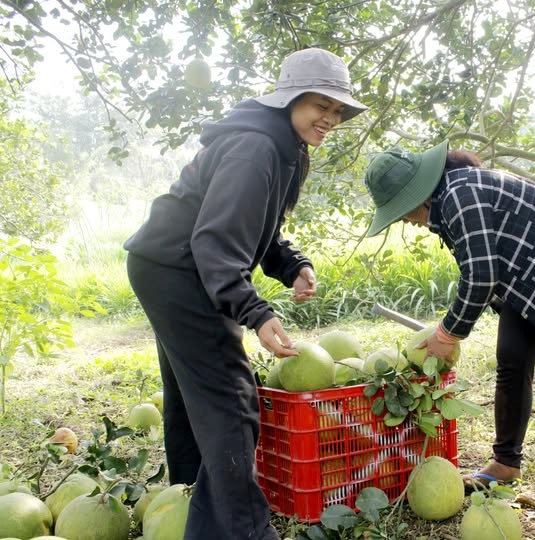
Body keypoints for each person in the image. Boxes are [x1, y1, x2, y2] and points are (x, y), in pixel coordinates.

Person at [124, 48, 367, 540]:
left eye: (338, 110)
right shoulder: (256, 148)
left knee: (194, 389)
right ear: (291, 98)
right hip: (182, 270)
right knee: (230, 397)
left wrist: (292, 263)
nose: (330, 118)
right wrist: (254, 311)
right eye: (322, 104)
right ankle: (240, 530)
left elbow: (257, 230)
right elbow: (214, 243)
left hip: (165, 263)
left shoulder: (281, 146)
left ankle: (190, 500)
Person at [363, 141, 535, 539]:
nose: (405, 220)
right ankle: (505, 463)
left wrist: (447, 333)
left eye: (402, 209)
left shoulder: (459, 195)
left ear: (418, 194)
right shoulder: (448, 200)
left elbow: (480, 275)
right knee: (511, 365)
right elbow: (489, 267)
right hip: (524, 277)